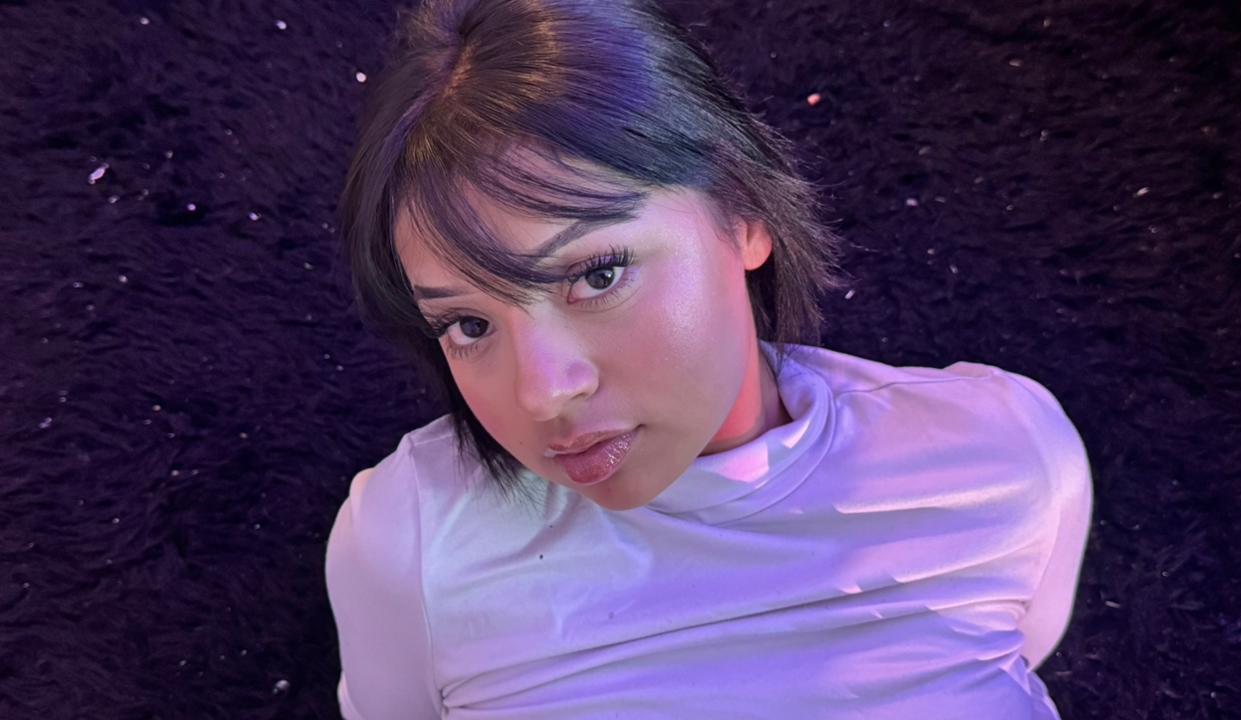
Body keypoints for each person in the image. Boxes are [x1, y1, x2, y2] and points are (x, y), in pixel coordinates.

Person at [324, 0, 1094, 717]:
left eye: (598, 276)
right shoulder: (407, 543)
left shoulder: (1006, 456)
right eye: (467, 324)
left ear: (744, 211)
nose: (543, 393)